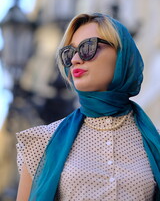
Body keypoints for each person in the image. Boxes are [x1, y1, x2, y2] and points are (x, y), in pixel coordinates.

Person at [16, 13, 160, 201]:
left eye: (88, 47)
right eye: (69, 53)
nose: (75, 59)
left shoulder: (155, 142)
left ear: (121, 54)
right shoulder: (42, 142)